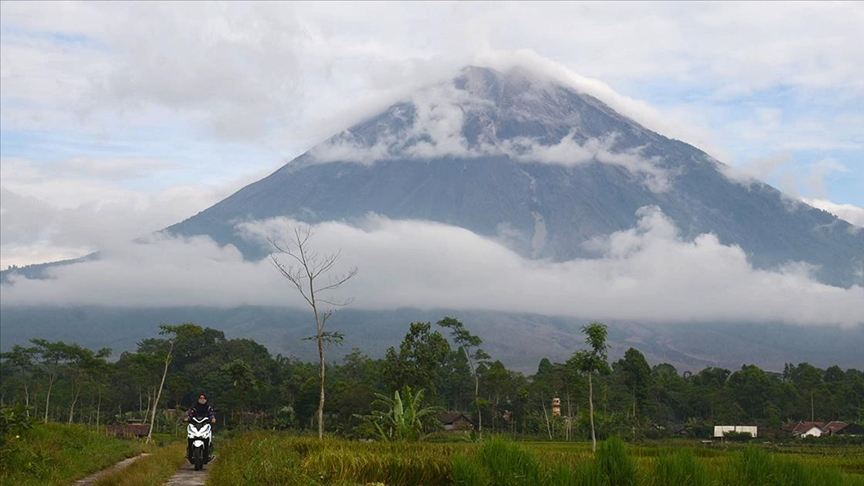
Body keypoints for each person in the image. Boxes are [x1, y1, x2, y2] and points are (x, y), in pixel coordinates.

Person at [184, 393, 216, 458]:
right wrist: (187, 418)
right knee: (190, 437)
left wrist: (213, 419)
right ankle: (189, 451)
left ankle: (209, 452)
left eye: (203, 398)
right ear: (198, 399)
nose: (202, 400)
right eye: (200, 398)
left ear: (206, 399)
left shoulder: (208, 408)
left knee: (209, 438)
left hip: (205, 425)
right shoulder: (194, 408)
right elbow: (190, 414)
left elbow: (211, 414)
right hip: (195, 425)